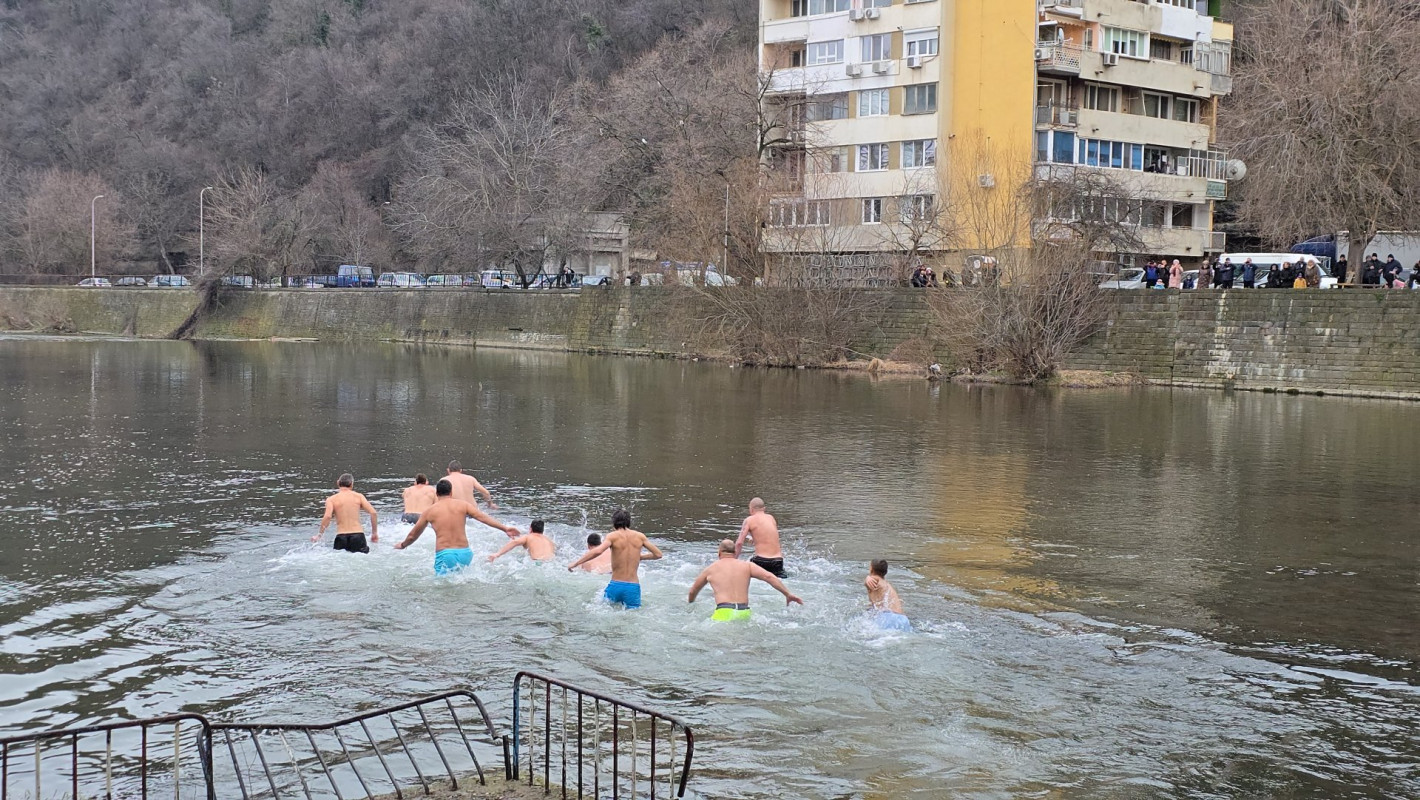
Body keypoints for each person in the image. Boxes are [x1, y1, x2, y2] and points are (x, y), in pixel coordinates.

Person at [395, 479, 520, 574]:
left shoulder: (430, 511)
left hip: (446, 555)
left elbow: (413, 535)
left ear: (437, 493)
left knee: (444, 592)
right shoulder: (463, 505)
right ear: (451, 492)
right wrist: (505, 528)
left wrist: (403, 545)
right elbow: (483, 518)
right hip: (466, 553)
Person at [567, 509, 663, 609]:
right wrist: (641, 557)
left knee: (602, 609)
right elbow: (658, 554)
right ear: (629, 522)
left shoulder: (612, 536)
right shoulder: (640, 536)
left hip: (616, 585)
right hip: (633, 587)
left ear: (614, 523)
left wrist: (576, 563)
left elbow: (598, 551)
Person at [688, 540, 803, 621]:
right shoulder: (747, 566)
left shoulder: (710, 569)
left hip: (723, 613)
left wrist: (690, 606)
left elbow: (693, 591)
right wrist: (787, 594)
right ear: (735, 553)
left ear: (719, 553)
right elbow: (770, 577)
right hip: (744, 613)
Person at [317, 473, 379, 552]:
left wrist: (319, 535)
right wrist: (374, 533)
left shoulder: (331, 499)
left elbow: (328, 517)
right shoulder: (359, 496)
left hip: (341, 536)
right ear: (351, 484)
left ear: (338, 483)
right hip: (358, 535)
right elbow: (373, 513)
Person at [734, 497, 786, 578]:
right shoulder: (771, 518)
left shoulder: (749, 520)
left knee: (740, 574)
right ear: (764, 509)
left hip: (761, 561)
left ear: (751, 509)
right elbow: (768, 536)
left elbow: (739, 543)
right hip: (778, 561)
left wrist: (733, 561)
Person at [865, 560, 911, 632]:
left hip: (887, 618)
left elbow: (870, 581)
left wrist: (867, 578)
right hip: (903, 619)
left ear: (871, 569)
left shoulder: (874, 579)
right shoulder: (886, 584)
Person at [487, 518, 557, 563]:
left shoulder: (527, 537)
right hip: (550, 563)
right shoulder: (549, 540)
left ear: (530, 529)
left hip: (537, 563)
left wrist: (497, 554)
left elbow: (514, 542)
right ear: (543, 530)